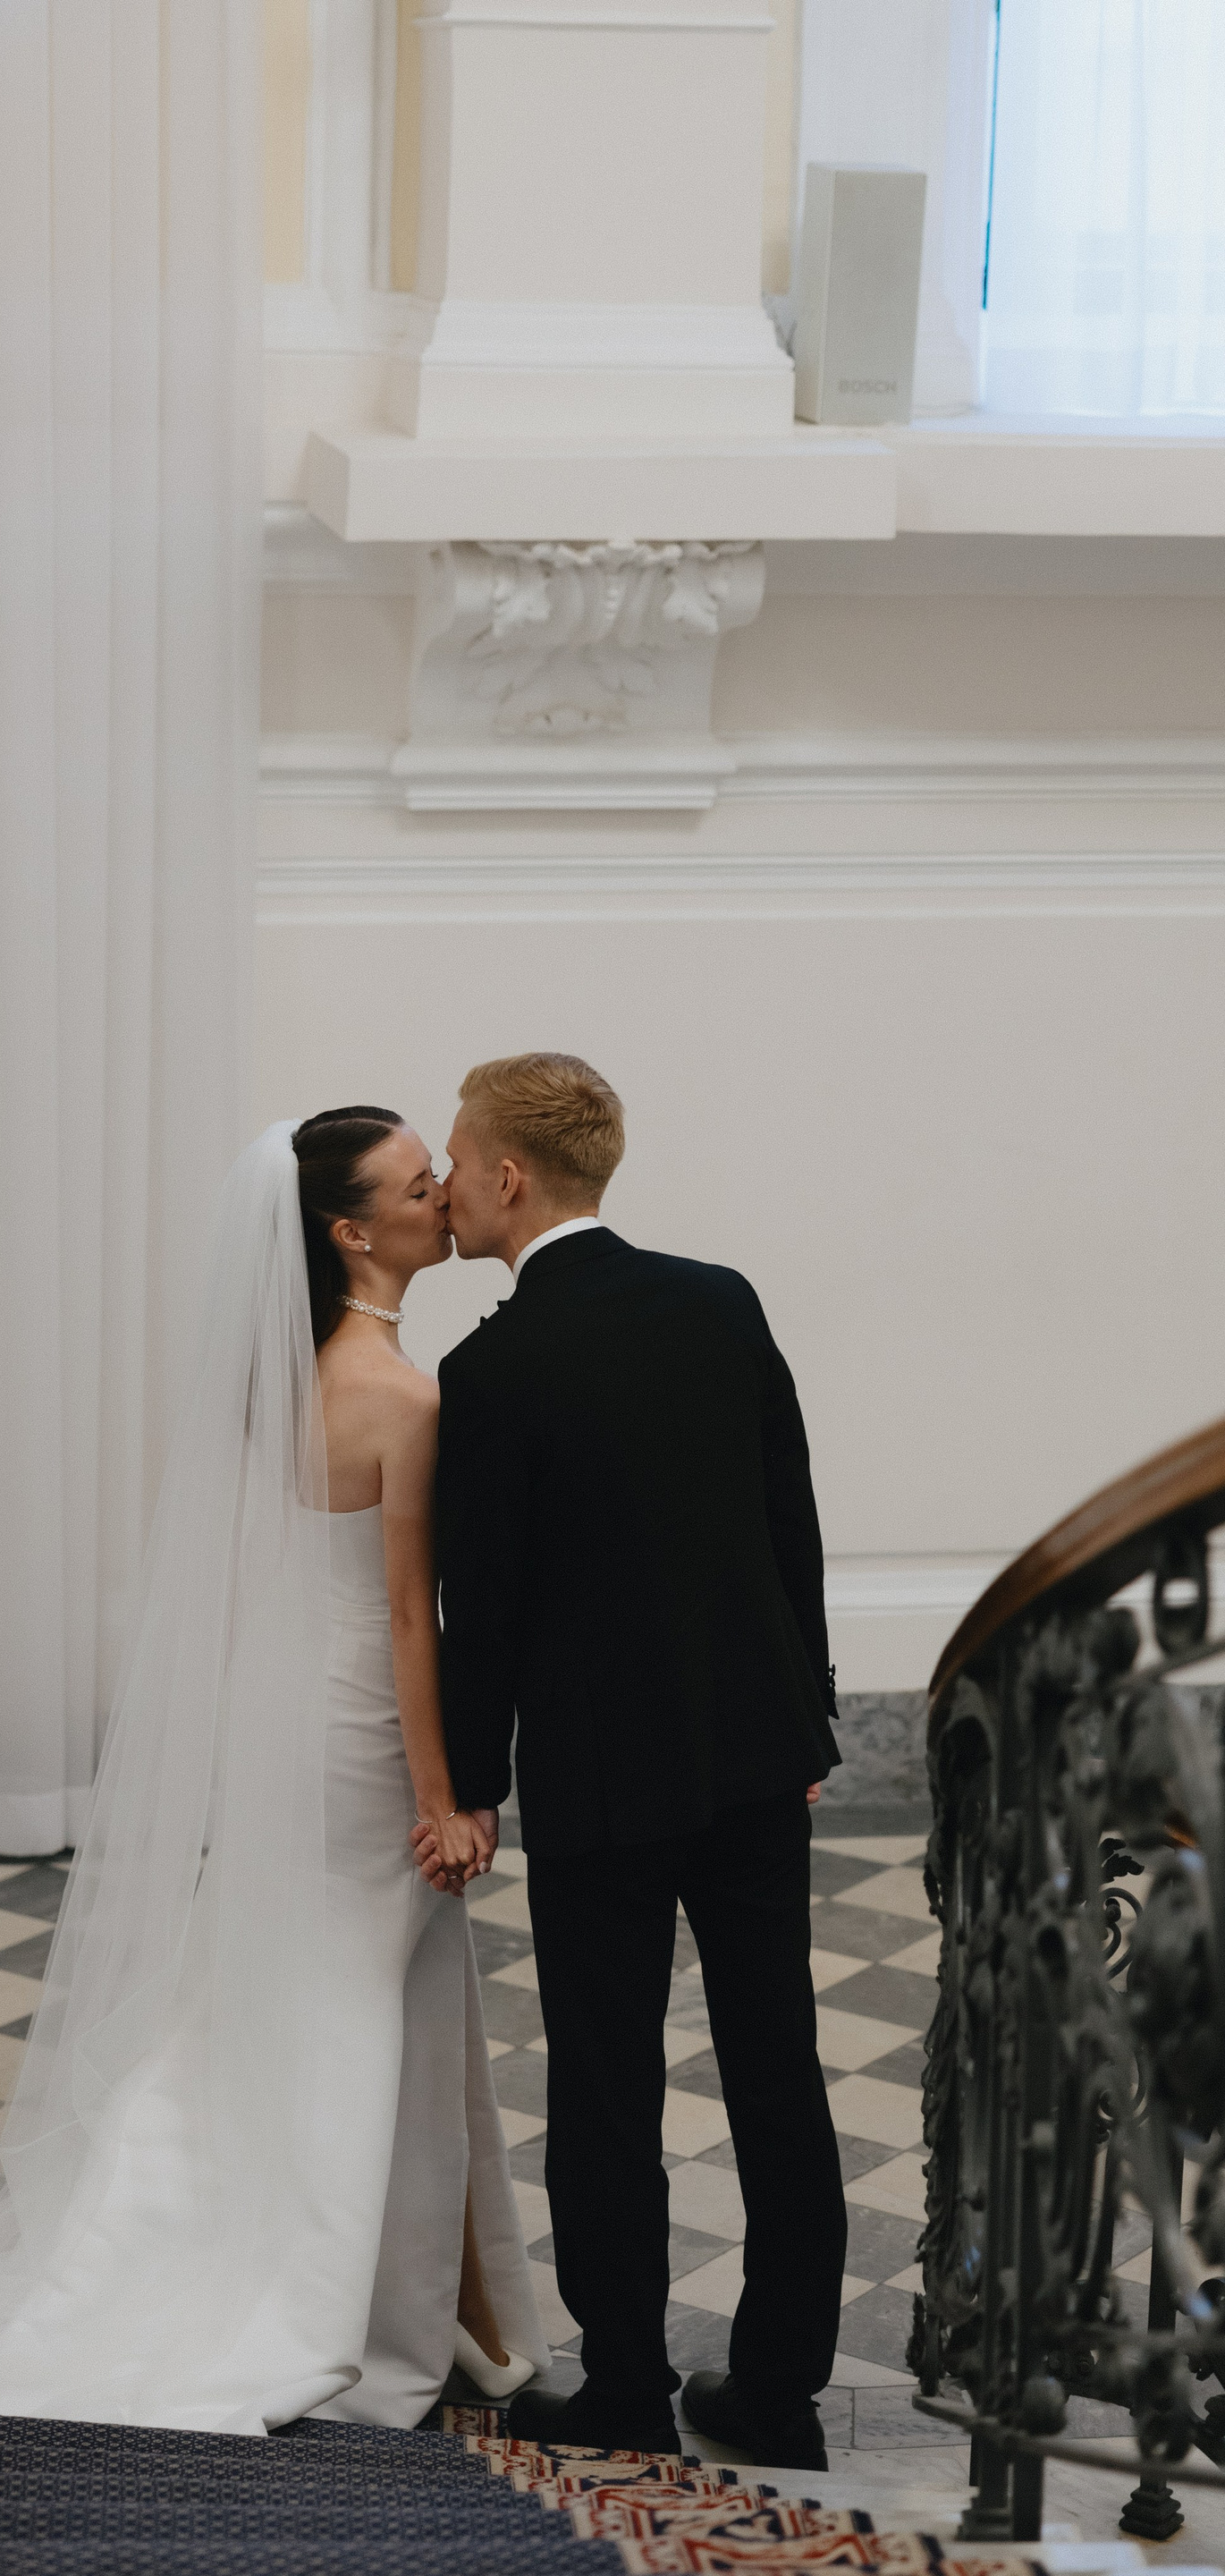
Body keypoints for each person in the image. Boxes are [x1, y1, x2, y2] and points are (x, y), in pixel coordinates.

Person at [0, 1114, 543, 2432]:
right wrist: (442, 1795)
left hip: (296, 1718)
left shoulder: (279, 1380)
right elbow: (409, 1614)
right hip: (365, 1731)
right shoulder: (403, 1396)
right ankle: (318, 2304)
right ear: (352, 1231)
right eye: (420, 1184)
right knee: (350, 2000)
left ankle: (394, 2293)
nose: (444, 1193)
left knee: (294, 1985)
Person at [413, 1052, 846, 2471]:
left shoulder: (490, 1370)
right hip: (754, 1756)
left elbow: (482, 1610)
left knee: (609, 2087)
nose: (447, 1183)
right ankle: (779, 2396)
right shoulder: (721, 1301)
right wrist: (810, 1715)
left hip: (601, 1781)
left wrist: (472, 1786)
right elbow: (788, 1519)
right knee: (777, 2068)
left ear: (510, 1175)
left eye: (458, 1159)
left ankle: (626, 2394)